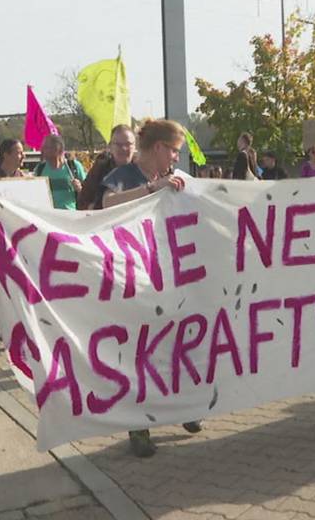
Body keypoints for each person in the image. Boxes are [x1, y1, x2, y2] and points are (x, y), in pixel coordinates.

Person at [100, 119, 203, 457]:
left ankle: (184, 407)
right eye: (173, 151)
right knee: (139, 352)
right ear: (158, 148)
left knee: (175, 344)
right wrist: (150, 191)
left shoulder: (175, 179)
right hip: (133, 279)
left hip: (169, 275)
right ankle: (139, 425)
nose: (175, 158)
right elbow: (107, 205)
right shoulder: (123, 176)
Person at [78, 125, 136, 210]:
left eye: (128, 144)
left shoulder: (142, 169)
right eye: (118, 145)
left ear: (135, 146)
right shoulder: (99, 171)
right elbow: (83, 203)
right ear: (110, 147)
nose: (124, 148)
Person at [34, 135, 86, 209]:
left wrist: (80, 189)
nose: (42, 151)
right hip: (48, 217)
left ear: (57, 149)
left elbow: (88, 194)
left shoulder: (74, 167)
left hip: (70, 217)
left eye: (46, 147)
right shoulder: (39, 169)